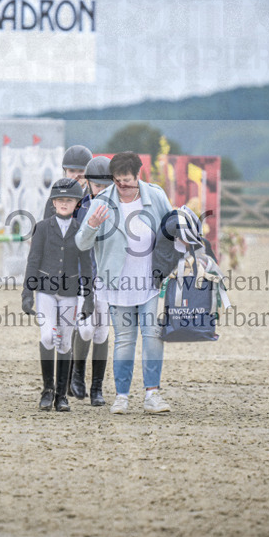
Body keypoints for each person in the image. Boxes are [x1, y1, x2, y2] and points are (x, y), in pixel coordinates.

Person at [75, 151, 174, 414]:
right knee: (124, 340)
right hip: (115, 282)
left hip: (149, 281)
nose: (123, 186)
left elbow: (172, 228)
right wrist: (92, 226)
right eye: (117, 181)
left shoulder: (155, 195)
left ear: (138, 176)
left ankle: (152, 394)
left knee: (152, 336)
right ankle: (122, 396)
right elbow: (81, 243)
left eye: (127, 180)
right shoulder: (102, 202)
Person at [22, 178, 93, 412]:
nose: (64, 203)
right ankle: (47, 390)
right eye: (60, 200)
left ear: (76, 204)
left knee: (64, 343)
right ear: (54, 203)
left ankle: (62, 395)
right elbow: (33, 261)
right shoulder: (42, 227)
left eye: (69, 200)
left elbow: (87, 265)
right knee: (46, 338)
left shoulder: (80, 231)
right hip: (46, 292)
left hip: (71, 293)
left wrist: (89, 297)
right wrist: (27, 292)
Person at [74, 155, 114, 406]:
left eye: (105, 186)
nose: (100, 190)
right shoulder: (82, 208)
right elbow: (81, 247)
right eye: (97, 185)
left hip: (108, 278)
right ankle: (77, 375)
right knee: (86, 328)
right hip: (85, 276)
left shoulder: (117, 208)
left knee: (101, 332)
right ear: (88, 184)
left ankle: (97, 387)